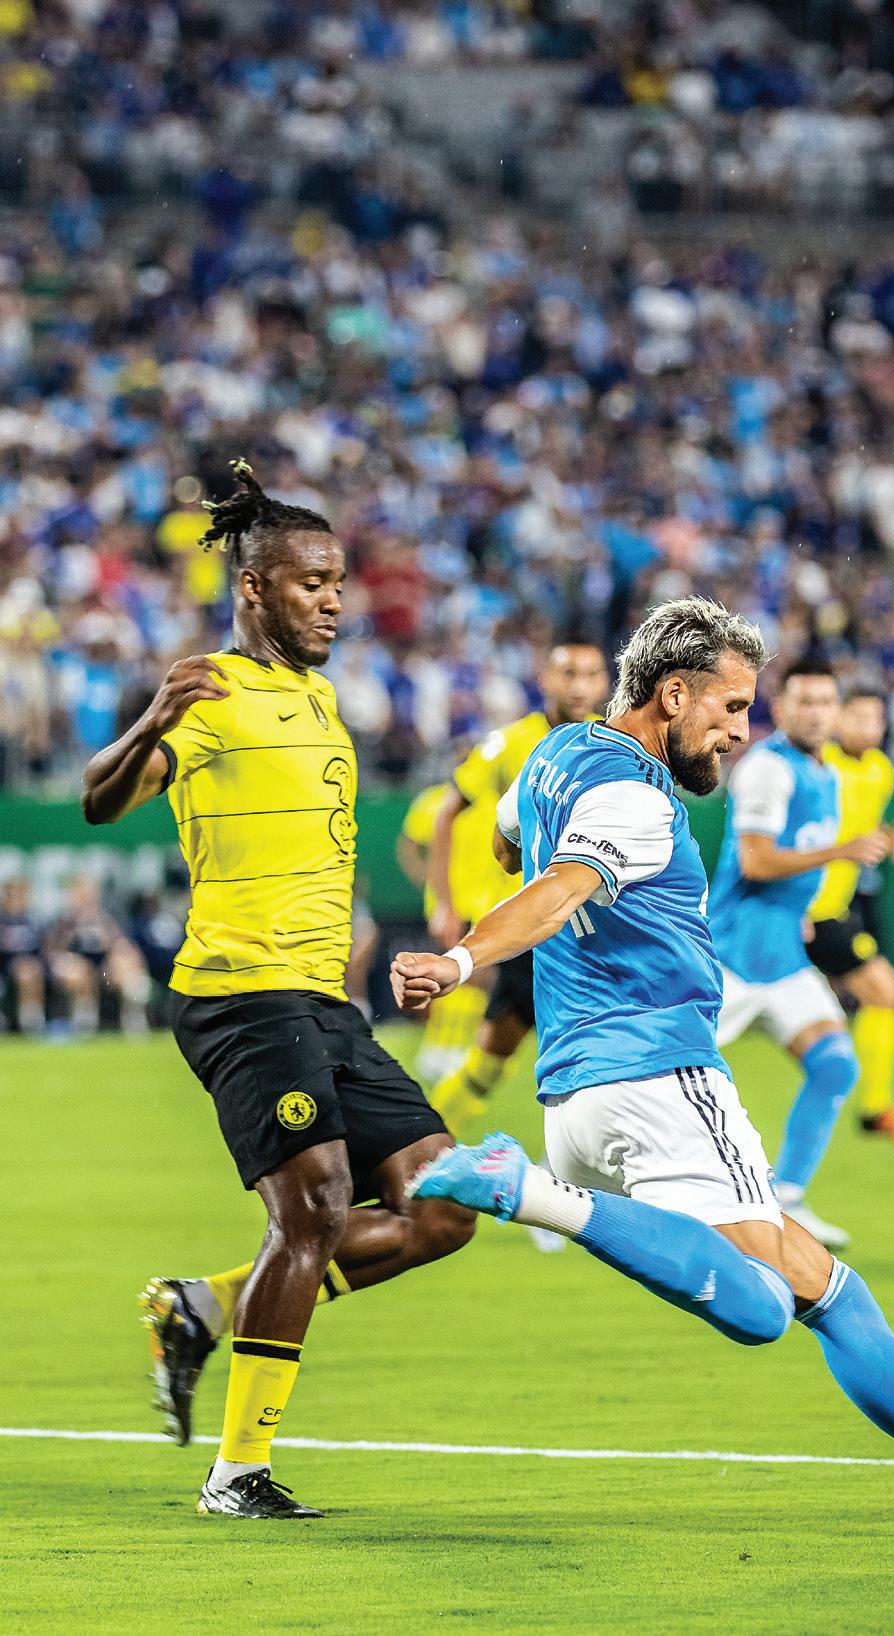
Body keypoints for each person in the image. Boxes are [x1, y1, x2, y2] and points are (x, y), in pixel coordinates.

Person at [391, 596, 894, 1548]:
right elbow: (556, 888)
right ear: (673, 695)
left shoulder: (554, 754)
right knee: (775, 1306)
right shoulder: (637, 800)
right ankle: (528, 1193)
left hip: (573, 1096)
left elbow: (510, 838)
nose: (740, 732)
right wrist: (463, 960)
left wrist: (513, 890)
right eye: (732, 707)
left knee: (818, 1292)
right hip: (659, 1080)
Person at [81, 460, 474, 1519]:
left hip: (321, 1002)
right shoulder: (209, 694)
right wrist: (151, 719)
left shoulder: (319, 694)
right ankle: (236, 1474)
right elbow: (99, 801)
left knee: (444, 1205)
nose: (334, 601)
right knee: (316, 1206)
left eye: (338, 583)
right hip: (241, 994)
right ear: (254, 588)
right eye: (311, 583)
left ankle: (205, 1306)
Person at [708, 660, 890, 1250]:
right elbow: (757, 860)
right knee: (646, 1078)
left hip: (783, 959)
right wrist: (842, 851)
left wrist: (800, 910)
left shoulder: (825, 772)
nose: (815, 713)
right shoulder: (767, 769)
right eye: (804, 701)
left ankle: (786, 1198)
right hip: (729, 959)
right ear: (781, 708)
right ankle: (564, 1184)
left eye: (825, 702)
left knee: (836, 1066)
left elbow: (794, 860)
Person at [425, 641, 610, 1132]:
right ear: (545, 679)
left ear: (604, 683)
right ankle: (423, 1150)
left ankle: (428, 1147)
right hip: (527, 923)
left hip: (588, 926)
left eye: (590, 674)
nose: (579, 686)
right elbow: (448, 812)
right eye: (568, 673)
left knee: (587, 1056)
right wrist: (445, 903)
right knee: (498, 1056)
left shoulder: (610, 742)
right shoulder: (508, 744)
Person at [806, 686, 894, 1143]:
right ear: (838, 720)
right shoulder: (819, 765)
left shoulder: (880, 770)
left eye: (876, 719)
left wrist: (891, 837)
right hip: (804, 909)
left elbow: (862, 827)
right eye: (858, 717)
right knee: (883, 992)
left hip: (835, 909)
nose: (868, 727)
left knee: (880, 994)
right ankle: (874, 1107)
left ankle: (874, 1108)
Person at [396, 781, 490, 1083]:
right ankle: (440, 1045)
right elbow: (409, 844)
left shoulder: (487, 797)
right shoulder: (437, 800)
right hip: (448, 903)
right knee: (450, 974)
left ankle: (452, 1044)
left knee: (473, 977)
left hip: (480, 900)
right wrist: (427, 880)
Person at [43, 875, 153, 1035]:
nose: (86, 899)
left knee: (125, 963)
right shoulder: (64, 919)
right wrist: (72, 932)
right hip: (76, 966)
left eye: (90, 894)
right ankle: (85, 1024)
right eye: (82, 894)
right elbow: (53, 951)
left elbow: (120, 943)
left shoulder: (105, 918)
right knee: (81, 972)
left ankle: (135, 1018)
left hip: (103, 967)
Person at [0, 877, 46, 1036]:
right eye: (14, 896)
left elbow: (44, 949)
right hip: (6, 968)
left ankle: (31, 1021)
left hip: (33, 968)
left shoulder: (34, 921)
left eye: (22, 896)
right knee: (25, 971)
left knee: (28, 971)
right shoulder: (3, 921)